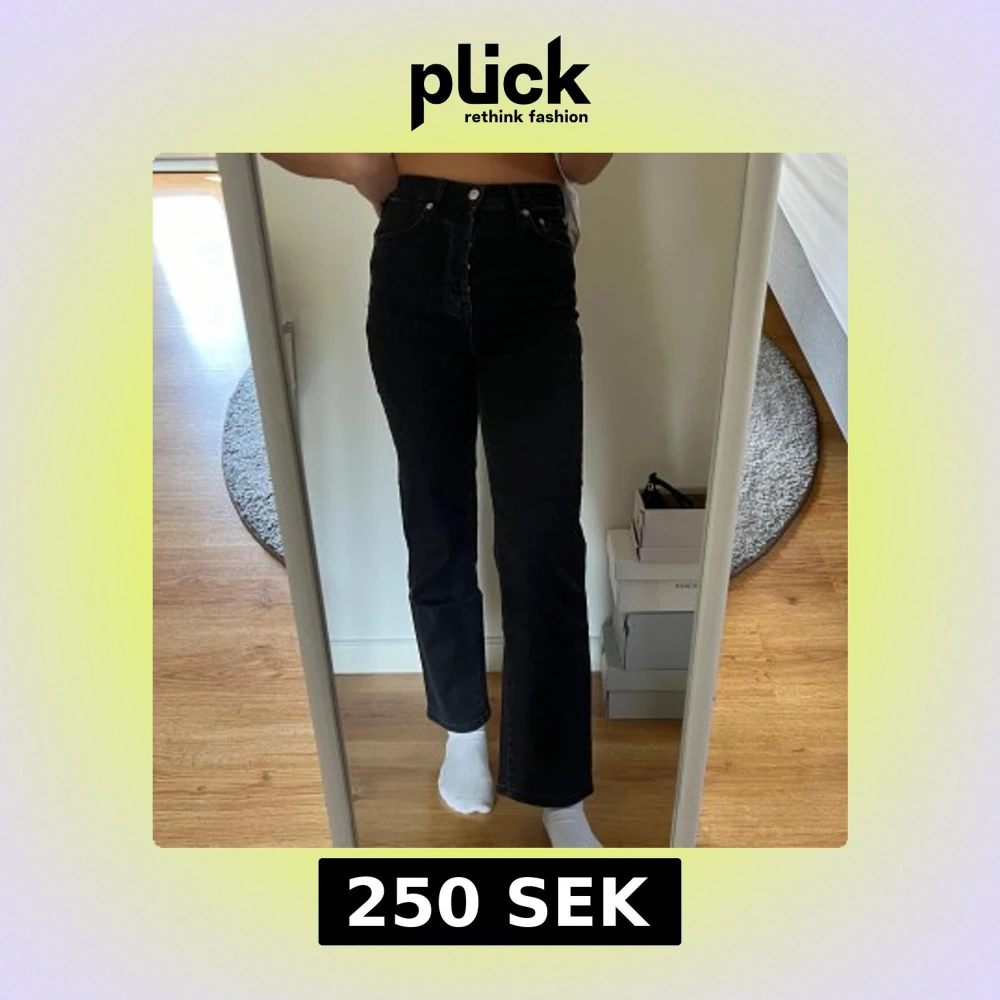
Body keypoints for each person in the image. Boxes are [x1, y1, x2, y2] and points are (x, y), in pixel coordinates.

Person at [261, 152, 614, 847]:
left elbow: (586, 161)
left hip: (532, 242)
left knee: (543, 543)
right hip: (415, 242)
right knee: (435, 520)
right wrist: (357, 165)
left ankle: (559, 787)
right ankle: (462, 728)